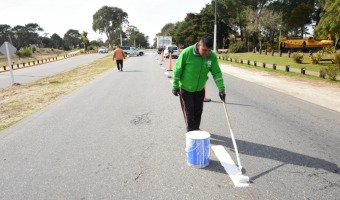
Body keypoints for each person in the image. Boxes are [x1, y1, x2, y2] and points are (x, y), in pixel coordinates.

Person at [172, 36, 226, 132]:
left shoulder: (212, 56)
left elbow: (216, 73)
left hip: (200, 89)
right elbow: (177, 70)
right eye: (204, 50)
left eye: (209, 50)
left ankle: (196, 129)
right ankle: (191, 131)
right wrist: (175, 86)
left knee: (198, 111)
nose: (207, 53)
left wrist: (221, 89)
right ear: (198, 46)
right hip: (185, 89)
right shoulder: (187, 52)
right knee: (189, 112)